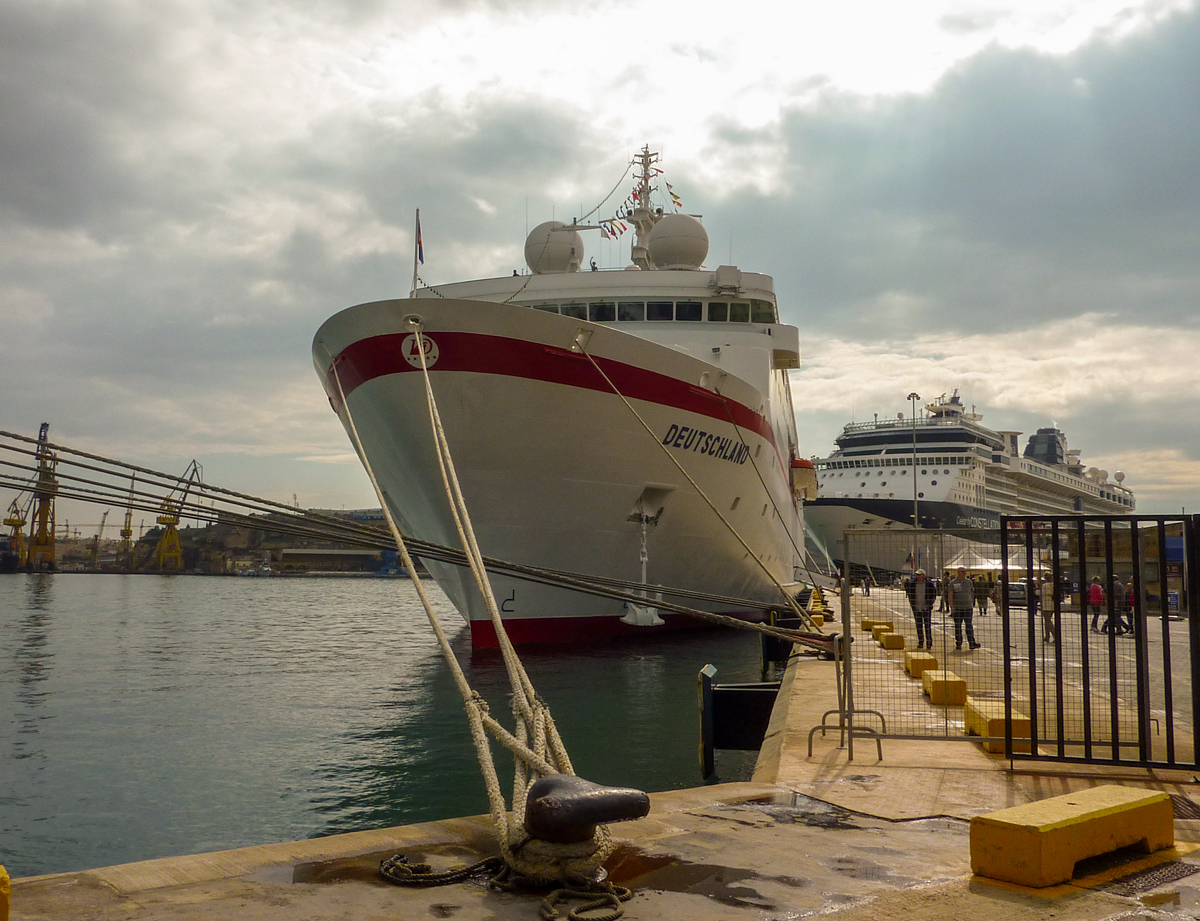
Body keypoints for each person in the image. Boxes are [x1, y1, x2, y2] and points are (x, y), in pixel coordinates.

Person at [947, 566, 980, 650]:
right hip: (958, 608)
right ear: (958, 573)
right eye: (962, 572)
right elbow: (950, 595)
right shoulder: (953, 583)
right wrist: (952, 607)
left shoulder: (969, 582)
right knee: (958, 626)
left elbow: (972, 593)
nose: (964, 573)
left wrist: (972, 602)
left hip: (968, 607)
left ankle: (971, 643)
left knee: (969, 625)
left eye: (965, 572)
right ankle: (958, 643)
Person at [905, 569, 937, 649]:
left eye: (920, 575)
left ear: (924, 575)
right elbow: (910, 594)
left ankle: (929, 642)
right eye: (917, 575)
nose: (918, 577)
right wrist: (912, 603)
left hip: (926, 607)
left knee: (927, 626)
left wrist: (930, 603)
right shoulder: (913, 584)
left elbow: (934, 594)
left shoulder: (929, 584)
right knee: (919, 626)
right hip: (916, 607)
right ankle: (921, 642)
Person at [1039, 577, 1057, 643]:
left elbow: (1039, 593)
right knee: (1047, 621)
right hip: (1052, 604)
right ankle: (1047, 636)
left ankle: (1055, 636)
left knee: (1048, 621)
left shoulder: (1045, 585)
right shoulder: (1053, 585)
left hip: (1046, 605)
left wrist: (1037, 587)